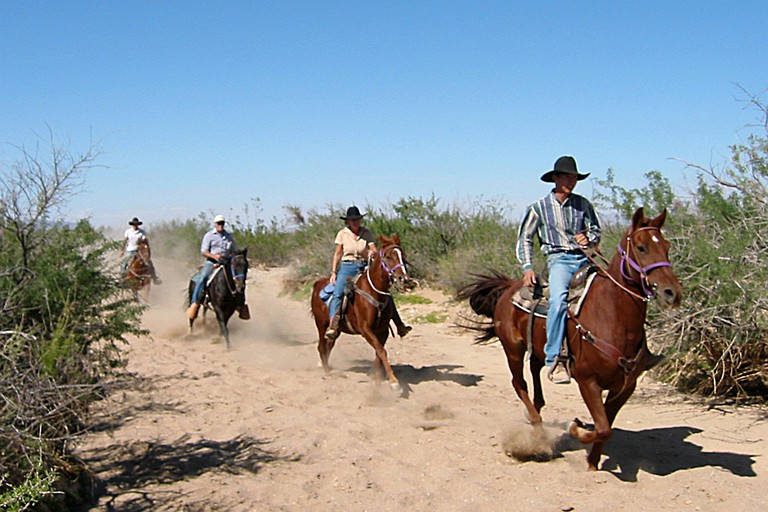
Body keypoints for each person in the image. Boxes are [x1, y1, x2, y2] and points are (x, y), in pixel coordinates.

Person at [516, 156, 664, 384]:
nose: (570, 181)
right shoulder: (538, 209)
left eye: (574, 177)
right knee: (558, 300)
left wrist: (588, 237)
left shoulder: (583, 204)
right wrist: (527, 267)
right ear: (554, 178)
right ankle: (556, 357)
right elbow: (525, 238)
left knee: (621, 291)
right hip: (559, 260)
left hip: (586, 257)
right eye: (566, 176)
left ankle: (642, 352)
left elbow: (596, 230)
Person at [324, 205, 412, 342]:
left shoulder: (366, 233)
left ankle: (399, 325)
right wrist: (334, 272)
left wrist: (372, 252)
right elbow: (337, 254)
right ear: (347, 221)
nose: (355, 222)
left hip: (364, 265)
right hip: (347, 266)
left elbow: (373, 249)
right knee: (338, 292)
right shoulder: (342, 234)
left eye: (357, 219)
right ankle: (333, 325)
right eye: (352, 220)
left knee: (385, 293)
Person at [187, 214, 240, 320]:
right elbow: (204, 251)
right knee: (203, 278)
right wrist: (214, 256)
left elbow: (234, 250)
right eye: (219, 223)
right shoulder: (209, 236)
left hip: (226, 263)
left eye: (222, 223)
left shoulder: (229, 237)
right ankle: (195, 302)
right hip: (211, 262)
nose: (220, 225)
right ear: (215, 224)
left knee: (239, 279)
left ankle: (241, 304)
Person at [120, 217, 161, 284]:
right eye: (134, 224)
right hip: (130, 250)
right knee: (124, 263)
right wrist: (122, 250)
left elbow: (145, 241)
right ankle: (122, 278)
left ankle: (154, 278)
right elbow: (125, 241)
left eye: (136, 224)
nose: (135, 226)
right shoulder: (128, 232)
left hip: (139, 250)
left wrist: (147, 250)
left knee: (149, 263)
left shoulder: (142, 232)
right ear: (132, 225)